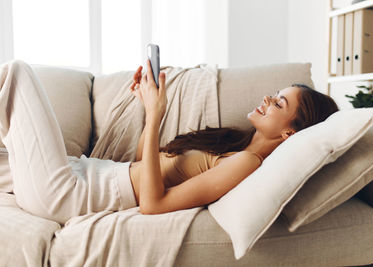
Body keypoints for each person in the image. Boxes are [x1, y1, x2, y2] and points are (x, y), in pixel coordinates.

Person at [0, 60, 338, 224]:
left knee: (16, 73)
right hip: (83, 172)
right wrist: (146, 107)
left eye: (279, 104)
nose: (267, 98)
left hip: (71, 192)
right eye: (275, 94)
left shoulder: (248, 164)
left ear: (289, 133)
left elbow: (153, 204)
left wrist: (158, 114)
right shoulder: (234, 148)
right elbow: (146, 163)